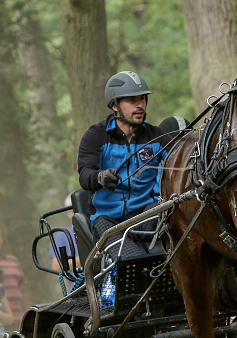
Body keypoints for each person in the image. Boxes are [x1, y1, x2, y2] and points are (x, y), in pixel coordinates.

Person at [77, 71, 171, 259]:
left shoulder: (157, 137)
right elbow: (85, 174)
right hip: (107, 220)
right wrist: (100, 177)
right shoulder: (96, 135)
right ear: (115, 105)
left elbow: (184, 159)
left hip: (146, 214)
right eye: (131, 100)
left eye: (143, 99)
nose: (140, 105)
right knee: (131, 259)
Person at [49, 194, 80, 271]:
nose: (76, 214)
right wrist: (84, 259)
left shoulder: (96, 228)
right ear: (68, 213)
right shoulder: (62, 236)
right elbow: (56, 266)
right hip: (78, 282)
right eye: (73, 211)